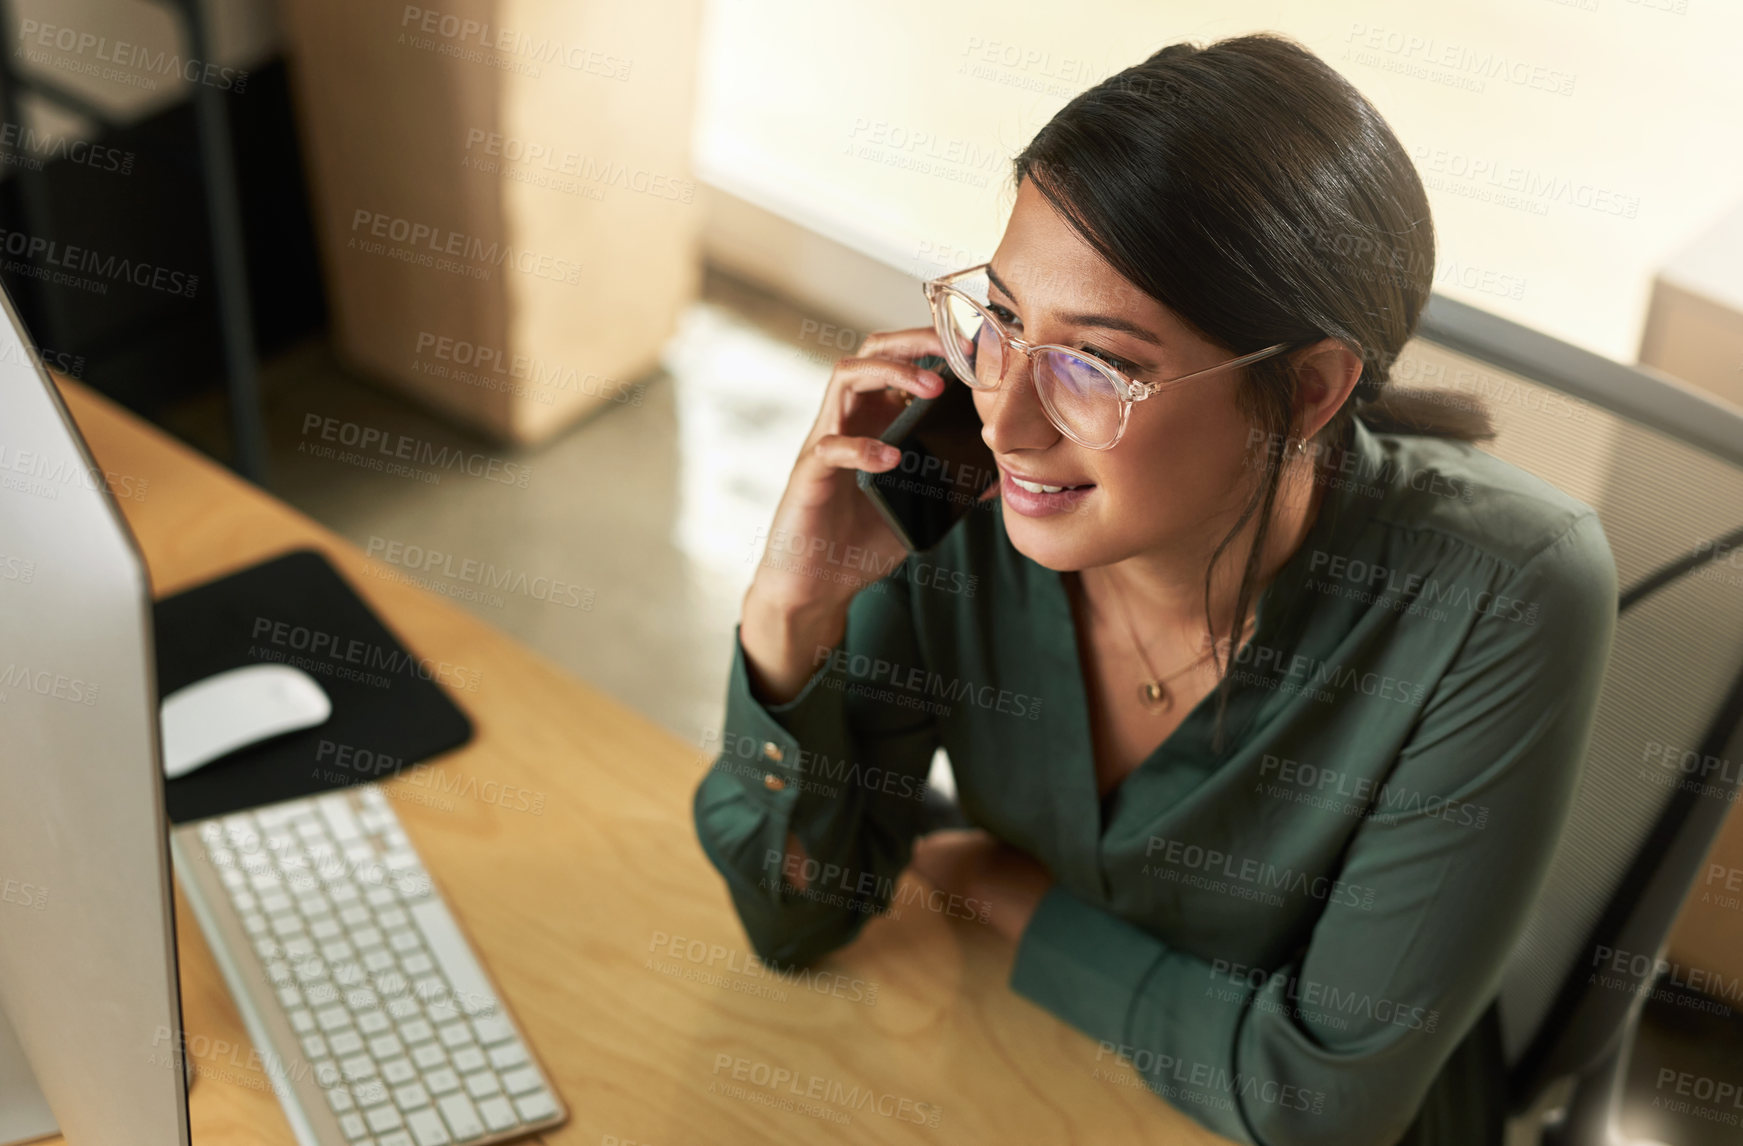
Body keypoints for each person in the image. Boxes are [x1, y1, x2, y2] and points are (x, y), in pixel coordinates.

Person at [692, 32, 1617, 1146]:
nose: (1008, 415)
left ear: (1311, 389)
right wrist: (791, 616)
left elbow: (1318, 1105)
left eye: (1100, 364)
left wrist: (1007, 892)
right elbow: (802, 922)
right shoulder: (958, 482)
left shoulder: (1503, 593)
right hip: (1017, 1067)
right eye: (1005, 320)